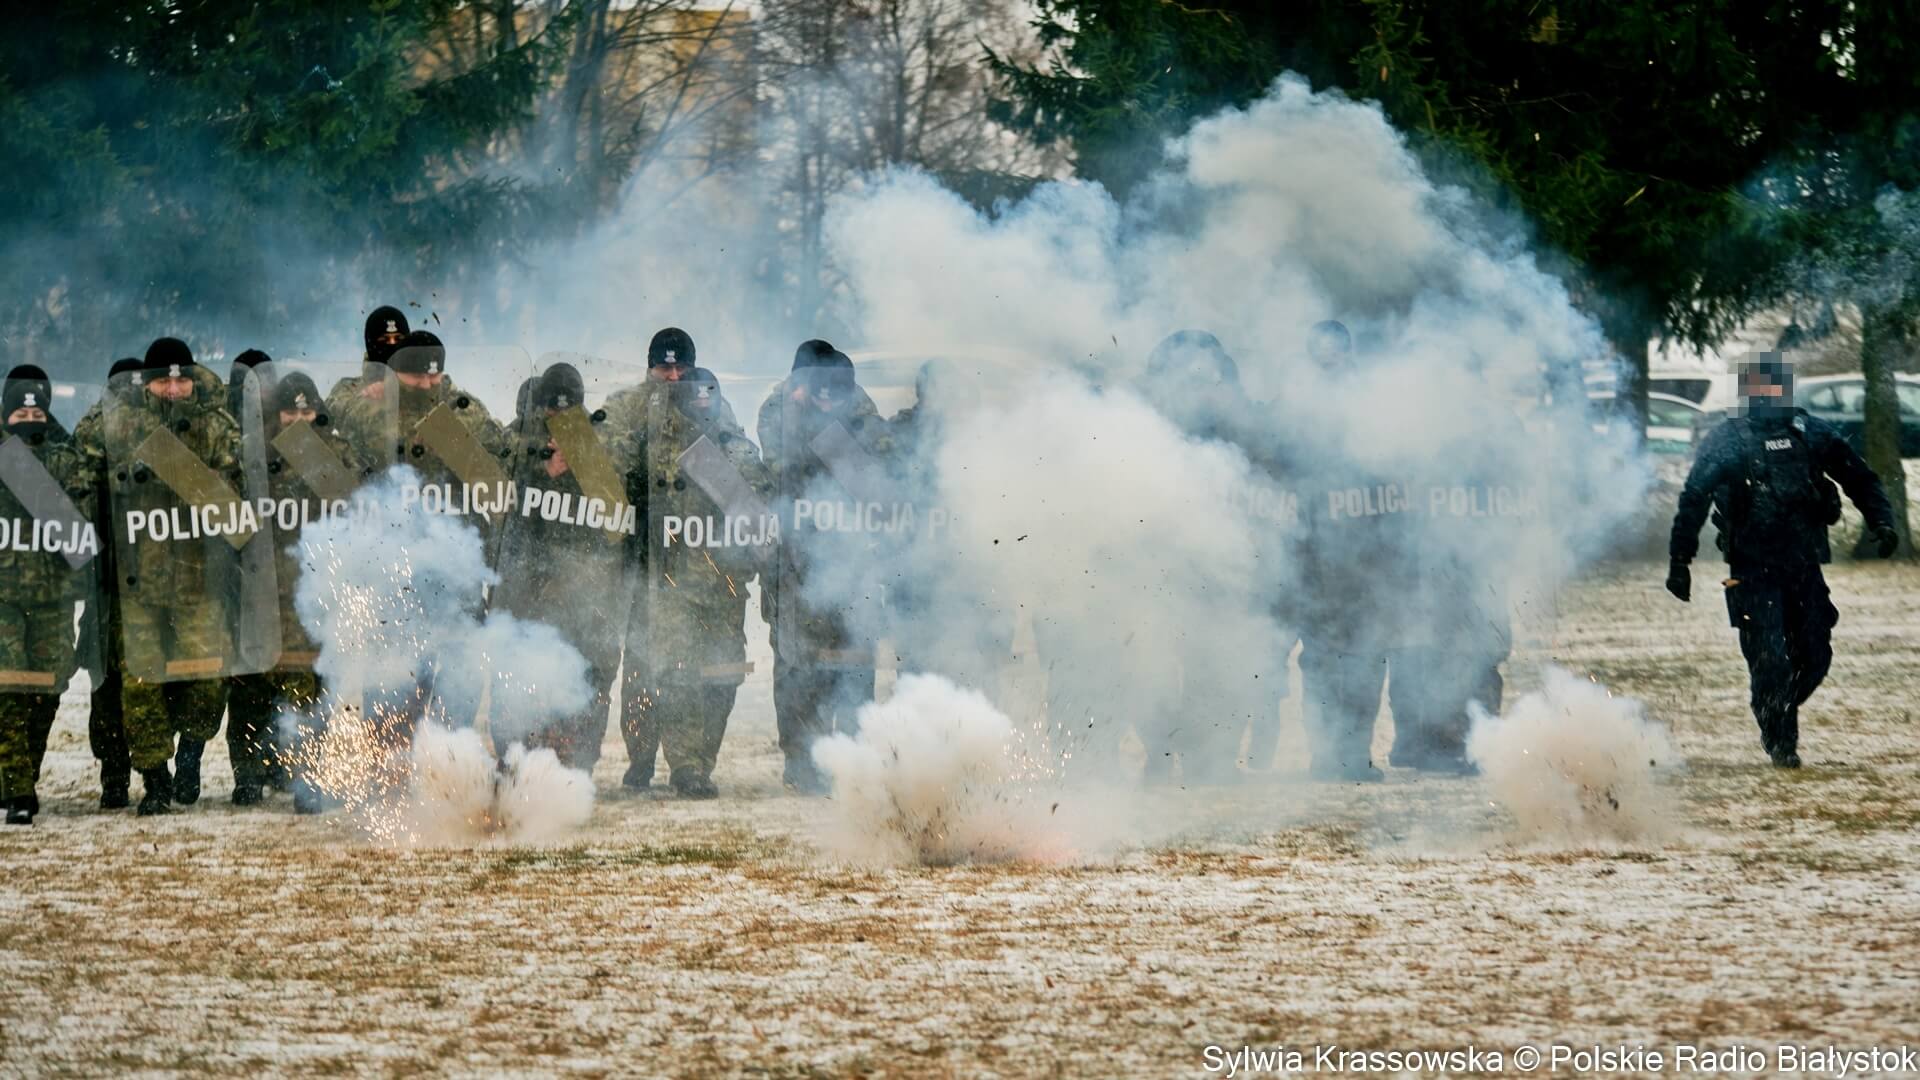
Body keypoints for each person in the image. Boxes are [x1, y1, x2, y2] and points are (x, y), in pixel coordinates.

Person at [1667, 354, 1899, 767]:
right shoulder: (1729, 439)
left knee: (1815, 655)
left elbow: (1858, 478)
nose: (1768, 395)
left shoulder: (1811, 433)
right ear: (1748, 391)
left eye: (1774, 387)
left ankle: (1776, 711)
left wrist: (1881, 521)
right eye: (1760, 388)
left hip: (1804, 567)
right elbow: (1694, 498)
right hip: (1751, 572)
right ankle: (1781, 741)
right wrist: (1680, 561)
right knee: (1770, 659)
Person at [77, 338, 249, 814]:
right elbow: (77, 477)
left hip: (198, 582)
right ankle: (155, 778)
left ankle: (191, 753)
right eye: (163, 380)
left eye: (182, 379)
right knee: (140, 688)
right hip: (137, 588)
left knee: (209, 680)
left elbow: (240, 497)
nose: (174, 388)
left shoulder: (216, 427)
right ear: (147, 383)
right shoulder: (118, 425)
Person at [622, 367, 769, 798]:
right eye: (695, 398)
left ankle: (703, 761)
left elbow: (760, 512)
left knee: (725, 676)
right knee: (679, 674)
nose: (702, 405)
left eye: (711, 397)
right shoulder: (656, 447)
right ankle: (685, 766)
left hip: (724, 584)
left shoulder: (737, 450)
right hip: (672, 584)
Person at [757, 342, 890, 794]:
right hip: (794, 562)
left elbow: (877, 469)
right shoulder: (778, 409)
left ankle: (852, 757)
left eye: (836, 395)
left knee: (853, 658)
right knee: (798, 664)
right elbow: (782, 468)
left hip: (851, 560)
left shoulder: (858, 404)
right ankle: (803, 759)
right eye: (819, 393)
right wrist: (803, 419)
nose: (829, 401)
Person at [225, 371, 363, 809]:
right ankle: (248, 774)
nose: (299, 419)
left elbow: (354, 505)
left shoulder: (335, 452)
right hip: (260, 591)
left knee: (308, 693)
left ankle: (303, 777)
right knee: (251, 689)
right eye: (290, 411)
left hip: (313, 593)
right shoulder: (251, 454)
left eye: (307, 410)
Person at [489, 362, 629, 772]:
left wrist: (586, 462)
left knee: (590, 677)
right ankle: (517, 761)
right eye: (552, 412)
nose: (559, 421)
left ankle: (577, 766)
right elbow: (497, 492)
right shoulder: (520, 440)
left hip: (588, 589)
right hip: (530, 589)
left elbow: (620, 511)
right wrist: (541, 470)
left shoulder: (603, 443)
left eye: (569, 413)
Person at [0, 366, 95, 824]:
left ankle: (18, 776)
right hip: (2, 601)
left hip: (54, 600)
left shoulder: (67, 458)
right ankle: (17, 789)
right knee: (7, 691)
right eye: (19, 408)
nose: (29, 415)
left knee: (48, 690)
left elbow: (83, 527)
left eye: (36, 408)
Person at [73, 357, 141, 807]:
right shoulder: (92, 432)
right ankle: (114, 774)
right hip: (107, 580)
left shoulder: (167, 431)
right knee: (106, 683)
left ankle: (149, 768)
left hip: (149, 577)